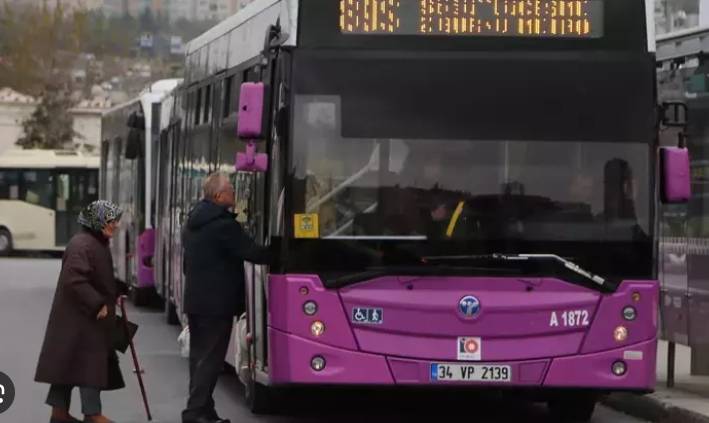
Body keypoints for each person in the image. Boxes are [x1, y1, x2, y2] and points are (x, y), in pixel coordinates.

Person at [182, 173, 270, 423]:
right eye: (231, 189)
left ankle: (205, 411)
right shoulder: (223, 226)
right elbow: (252, 252)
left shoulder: (192, 222)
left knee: (199, 359)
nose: (235, 193)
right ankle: (194, 412)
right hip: (216, 304)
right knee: (210, 361)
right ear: (219, 196)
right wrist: (285, 252)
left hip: (196, 301)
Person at [35, 200, 126, 423]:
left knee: (67, 368)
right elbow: (74, 280)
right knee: (88, 369)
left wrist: (116, 290)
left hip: (80, 324)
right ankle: (92, 414)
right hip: (84, 324)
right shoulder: (83, 245)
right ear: (97, 221)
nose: (115, 225)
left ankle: (60, 414)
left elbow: (93, 276)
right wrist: (98, 304)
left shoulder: (90, 242)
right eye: (110, 220)